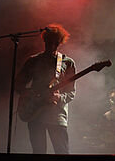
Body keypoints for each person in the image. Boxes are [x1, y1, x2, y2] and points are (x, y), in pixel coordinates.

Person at [16, 24, 77, 154]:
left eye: (56, 43)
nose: (52, 46)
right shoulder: (33, 61)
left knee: (62, 153)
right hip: (35, 114)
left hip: (57, 115)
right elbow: (18, 85)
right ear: (44, 41)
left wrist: (59, 97)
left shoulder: (67, 63)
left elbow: (71, 92)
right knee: (38, 154)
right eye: (49, 42)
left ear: (60, 43)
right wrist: (29, 94)